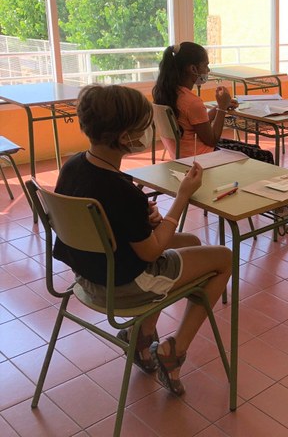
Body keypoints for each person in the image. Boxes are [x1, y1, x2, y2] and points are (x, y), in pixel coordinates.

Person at [53, 84, 232, 396]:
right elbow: (150, 253)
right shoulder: (123, 191)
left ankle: (143, 338)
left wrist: (140, 219)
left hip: (87, 275)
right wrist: (182, 197)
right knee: (224, 258)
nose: (148, 131)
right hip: (124, 286)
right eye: (143, 126)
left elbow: (111, 219)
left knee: (189, 240)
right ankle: (174, 350)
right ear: (125, 137)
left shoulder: (73, 166)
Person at [152, 41, 272, 162]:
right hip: (201, 157)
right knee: (265, 156)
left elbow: (198, 124)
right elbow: (212, 140)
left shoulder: (165, 93)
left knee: (254, 148)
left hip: (183, 154)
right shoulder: (192, 102)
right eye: (205, 65)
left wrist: (219, 107)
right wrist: (221, 109)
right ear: (193, 69)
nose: (208, 70)